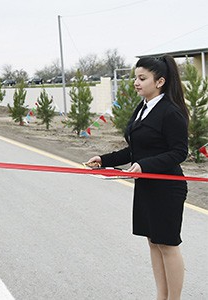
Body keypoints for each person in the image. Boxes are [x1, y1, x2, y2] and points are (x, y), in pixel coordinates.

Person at [85, 55, 189, 300]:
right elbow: (135, 149)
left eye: (142, 78)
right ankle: (161, 296)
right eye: (136, 78)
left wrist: (144, 165)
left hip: (167, 187)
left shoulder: (170, 112)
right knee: (154, 243)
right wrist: (104, 159)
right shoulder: (143, 108)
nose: (136, 83)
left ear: (160, 81)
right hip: (147, 186)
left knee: (168, 245)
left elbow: (179, 152)